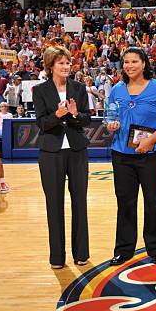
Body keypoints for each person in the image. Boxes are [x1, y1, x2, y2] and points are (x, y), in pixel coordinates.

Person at [106, 47, 156, 266]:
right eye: (126, 62)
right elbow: (110, 116)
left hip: (150, 154)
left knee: (152, 201)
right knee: (125, 202)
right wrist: (110, 124)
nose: (129, 66)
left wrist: (151, 140)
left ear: (144, 63)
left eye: (134, 61)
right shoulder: (117, 90)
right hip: (121, 154)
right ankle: (124, 249)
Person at [32, 46, 91, 269]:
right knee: (53, 204)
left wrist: (74, 114)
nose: (66, 67)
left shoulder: (79, 88)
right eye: (61, 63)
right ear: (50, 66)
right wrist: (57, 115)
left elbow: (86, 119)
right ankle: (57, 257)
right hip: (50, 152)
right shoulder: (40, 90)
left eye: (68, 62)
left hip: (76, 151)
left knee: (80, 203)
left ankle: (81, 253)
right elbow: (42, 123)